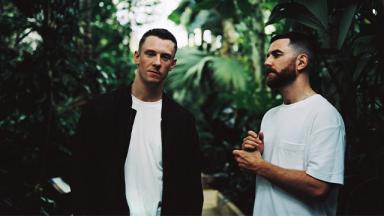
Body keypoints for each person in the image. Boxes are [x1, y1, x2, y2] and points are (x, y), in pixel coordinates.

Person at [70, 28, 203, 215]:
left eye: (165, 57)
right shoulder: (100, 110)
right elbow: (80, 172)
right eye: (150, 54)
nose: (157, 62)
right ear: (137, 57)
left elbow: (191, 189)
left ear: (172, 64)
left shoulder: (182, 121)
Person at [233, 32, 346, 215]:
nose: (267, 62)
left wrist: (260, 166)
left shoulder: (324, 115)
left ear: (301, 62)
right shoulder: (270, 116)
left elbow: (319, 187)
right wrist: (255, 157)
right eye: (268, 55)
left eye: (276, 55)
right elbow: (268, 174)